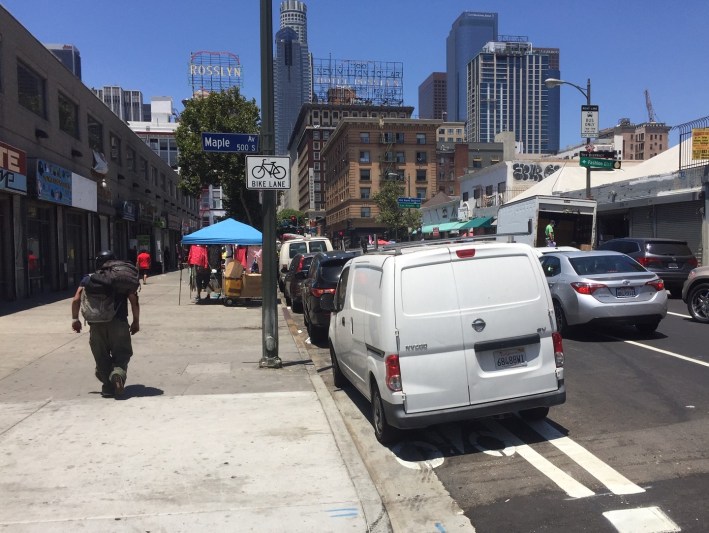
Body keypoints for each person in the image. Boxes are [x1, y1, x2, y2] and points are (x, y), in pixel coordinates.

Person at [71, 250, 140, 398]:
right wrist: (136, 321)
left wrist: (75, 319)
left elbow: (76, 299)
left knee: (100, 356)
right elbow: (134, 301)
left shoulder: (88, 279)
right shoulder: (121, 279)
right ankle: (118, 374)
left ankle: (108, 388)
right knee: (122, 353)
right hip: (119, 322)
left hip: (96, 325)